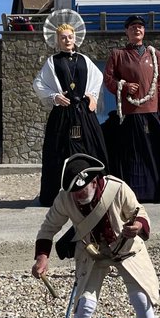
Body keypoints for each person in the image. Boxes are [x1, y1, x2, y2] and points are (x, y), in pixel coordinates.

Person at [31, 153, 158, 318]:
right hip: (91, 252)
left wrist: (137, 226)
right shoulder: (65, 198)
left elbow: (140, 213)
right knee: (85, 304)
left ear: (93, 182)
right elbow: (48, 229)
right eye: (73, 192)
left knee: (141, 297)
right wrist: (42, 258)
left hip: (126, 248)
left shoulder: (118, 188)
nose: (76, 196)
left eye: (81, 191)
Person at [33, 12, 108, 207]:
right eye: (63, 38)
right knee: (58, 152)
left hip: (84, 112)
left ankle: (96, 191)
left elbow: (97, 77)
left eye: (70, 37)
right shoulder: (53, 61)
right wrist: (54, 97)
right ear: (57, 41)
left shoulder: (84, 59)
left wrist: (92, 95)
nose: (67, 40)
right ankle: (58, 196)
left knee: (92, 148)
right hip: (63, 113)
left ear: (75, 38)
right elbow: (39, 83)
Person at [102, 15, 160, 202]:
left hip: (151, 110)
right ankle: (130, 194)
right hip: (130, 112)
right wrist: (123, 85)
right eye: (132, 27)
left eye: (140, 27)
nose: (136, 30)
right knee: (131, 154)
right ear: (126, 32)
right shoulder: (118, 54)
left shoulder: (155, 55)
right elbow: (108, 79)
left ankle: (157, 191)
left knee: (153, 152)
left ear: (144, 31)